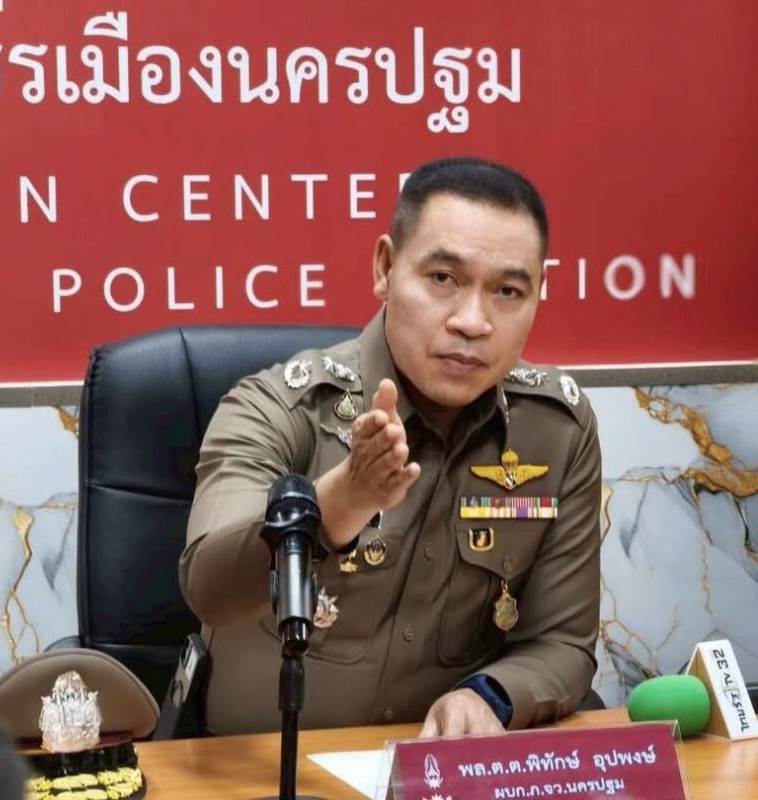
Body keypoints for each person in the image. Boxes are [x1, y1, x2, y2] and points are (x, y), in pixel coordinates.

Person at [180, 156, 602, 737]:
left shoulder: (556, 429)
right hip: (261, 765)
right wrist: (340, 504)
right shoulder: (279, 406)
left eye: (507, 291)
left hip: (435, 770)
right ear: (385, 267)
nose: (473, 321)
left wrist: (493, 696)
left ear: (539, 295)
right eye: (443, 279)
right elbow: (209, 588)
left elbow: (561, 642)